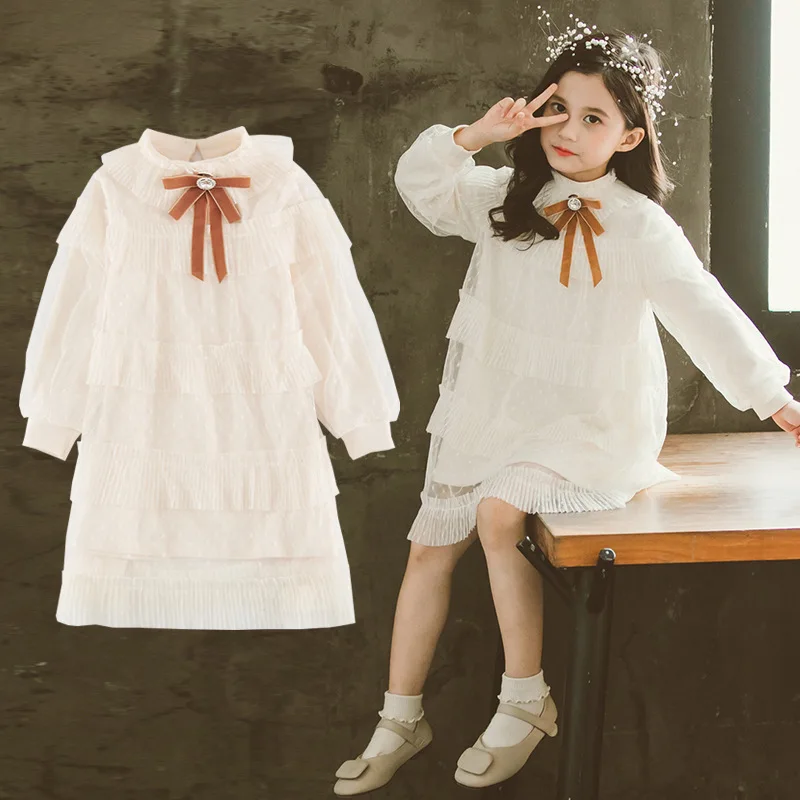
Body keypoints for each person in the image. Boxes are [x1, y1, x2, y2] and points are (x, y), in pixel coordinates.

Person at [333, 30, 800, 795]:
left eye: (594, 118)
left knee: (498, 513)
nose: (570, 132)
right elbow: (421, 186)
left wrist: (773, 397)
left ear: (630, 136)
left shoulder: (639, 224)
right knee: (428, 549)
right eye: (558, 110)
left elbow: (704, 312)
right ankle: (400, 717)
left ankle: (525, 699)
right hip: (497, 409)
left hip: (593, 422)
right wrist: (477, 135)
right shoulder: (502, 198)